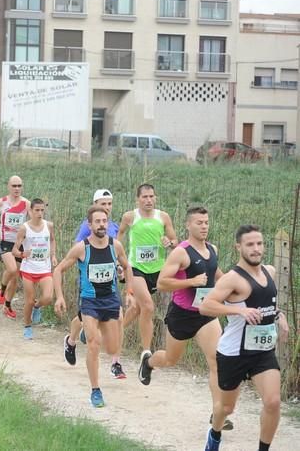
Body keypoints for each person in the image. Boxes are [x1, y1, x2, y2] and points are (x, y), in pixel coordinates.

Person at [137, 206, 233, 431]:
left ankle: (218, 413)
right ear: (188, 225)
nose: (204, 226)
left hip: (205, 314)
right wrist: (190, 282)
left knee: (216, 361)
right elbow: (161, 283)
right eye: (199, 222)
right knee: (171, 360)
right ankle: (148, 362)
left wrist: (236, 287)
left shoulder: (213, 249)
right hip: (181, 315)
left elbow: (218, 275)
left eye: (206, 222)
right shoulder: (181, 252)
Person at [199, 225, 289, 451]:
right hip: (233, 353)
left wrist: (280, 315)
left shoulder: (269, 271)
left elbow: (267, 304)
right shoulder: (232, 279)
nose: (256, 249)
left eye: (259, 244)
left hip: (262, 352)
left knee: (273, 401)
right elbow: (206, 306)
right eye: (250, 244)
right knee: (226, 408)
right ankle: (215, 433)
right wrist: (240, 311)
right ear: (238, 247)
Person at [54, 205, 133, 408]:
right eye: (97, 221)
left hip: (110, 300)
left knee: (112, 347)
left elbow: (127, 267)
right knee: (93, 344)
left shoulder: (115, 246)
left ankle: (80, 335)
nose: (101, 225)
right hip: (90, 301)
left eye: (104, 221)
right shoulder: (82, 248)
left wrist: (129, 292)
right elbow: (59, 269)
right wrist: (59, 297)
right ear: (89, 225)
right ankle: (95, 390)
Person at [66, 189, 128, 379]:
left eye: (109, 204)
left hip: (109, 281)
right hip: (88, 281)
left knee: (118, 317)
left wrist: (119, 268)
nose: (107, 208)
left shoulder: (114, 227)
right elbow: (78, 250)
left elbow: (116, 254)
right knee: (82, 318)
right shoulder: (87, 227)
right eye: (103, 204)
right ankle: (71, 340)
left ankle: (116, 362)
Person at [117, 183, 177, 361]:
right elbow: (118, 237)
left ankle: (113, 333)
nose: (149, 200)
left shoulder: (163, 217)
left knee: (135, 309)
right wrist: (119, 262)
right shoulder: (129, 216)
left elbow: (175, 240)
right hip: (136, 268)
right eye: (145, 197)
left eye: (151, 196)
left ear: (155, 198)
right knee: (148, 307)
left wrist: (169, 242)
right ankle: (146, 351)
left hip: (157, 270)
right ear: (138, 199)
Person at [11, 198, 57, 340]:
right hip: (29, 269)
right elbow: (14, 250)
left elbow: (52, 240)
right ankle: (27, 326)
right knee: (29, 301)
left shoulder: (49, 226)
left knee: (48, 297)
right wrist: (22, 254)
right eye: (37, 210)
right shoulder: (24, 228)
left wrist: (53, 255)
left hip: (44, 267)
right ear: (30, 211)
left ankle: (37, 307)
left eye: (42, 210)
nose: (40, 213)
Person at [0, 176, 30, 320]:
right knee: (12, 269)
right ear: (8, 186)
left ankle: (7, 305)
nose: (17, 189)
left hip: (19, 244)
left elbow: (33, 220)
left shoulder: (26, 203)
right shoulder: (1, 202)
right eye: (14, 186)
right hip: (5, 243)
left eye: (19, 186)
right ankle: (1, 289)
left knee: (15, 278)